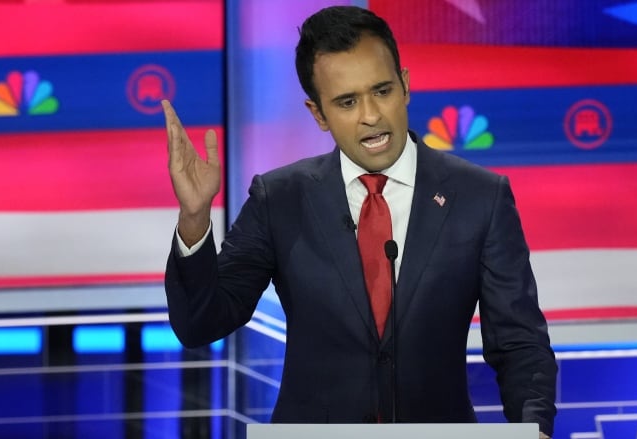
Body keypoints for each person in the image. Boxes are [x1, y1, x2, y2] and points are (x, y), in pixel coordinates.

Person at [163, 5, 557, 437]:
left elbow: (519, 343)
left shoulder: (480, 196)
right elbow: (201, 323)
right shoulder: (280, 199)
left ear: (405, 86)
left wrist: (532, 427)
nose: (371, 115)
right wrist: (195, 216)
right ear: (318, 114)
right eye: (347, 102)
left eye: (382, 91)